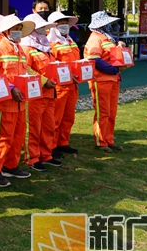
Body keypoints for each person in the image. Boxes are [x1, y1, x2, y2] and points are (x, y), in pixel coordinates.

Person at [0, 14, 35, 187]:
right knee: (2, 137)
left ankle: (11, 165)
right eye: (15, 29)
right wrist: (11, 88)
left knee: (18, 135)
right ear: (6, 31)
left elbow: (25, 72)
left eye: (20, 29)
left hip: (21, 101)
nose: (18, 32)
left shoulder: (19, 49)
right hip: (4, 102)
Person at [83, 11, 128, 153]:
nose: (111, 25)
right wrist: (113, 70)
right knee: (103, 111)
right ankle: (101, 141)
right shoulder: (95, 38)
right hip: (100, 80)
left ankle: (109, 139)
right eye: (108, 22)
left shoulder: (107, 37)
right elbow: (94, 59)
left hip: (113, 79)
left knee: (111, 111)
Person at [21, 14, 60, 172]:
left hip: (49, 93)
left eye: (45, 28)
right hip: (35, 96)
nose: (44, 31)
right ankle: (32, 157)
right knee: (33, 129)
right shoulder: (26, 48)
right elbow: (26, 71)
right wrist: (44, 81)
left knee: (48, 126)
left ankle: (46, 154)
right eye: (41, 28)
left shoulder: (46, 47)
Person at [47, 11, 81, 157]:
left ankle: (63, 142)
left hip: (73, 85)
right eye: (61, 23)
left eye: (66, 23)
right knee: (55, 118)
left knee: (69, 116)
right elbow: (53, 66)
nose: (64, 26)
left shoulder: (70, 41)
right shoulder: (51, 43)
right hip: (60, 86)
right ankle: (52, 146)